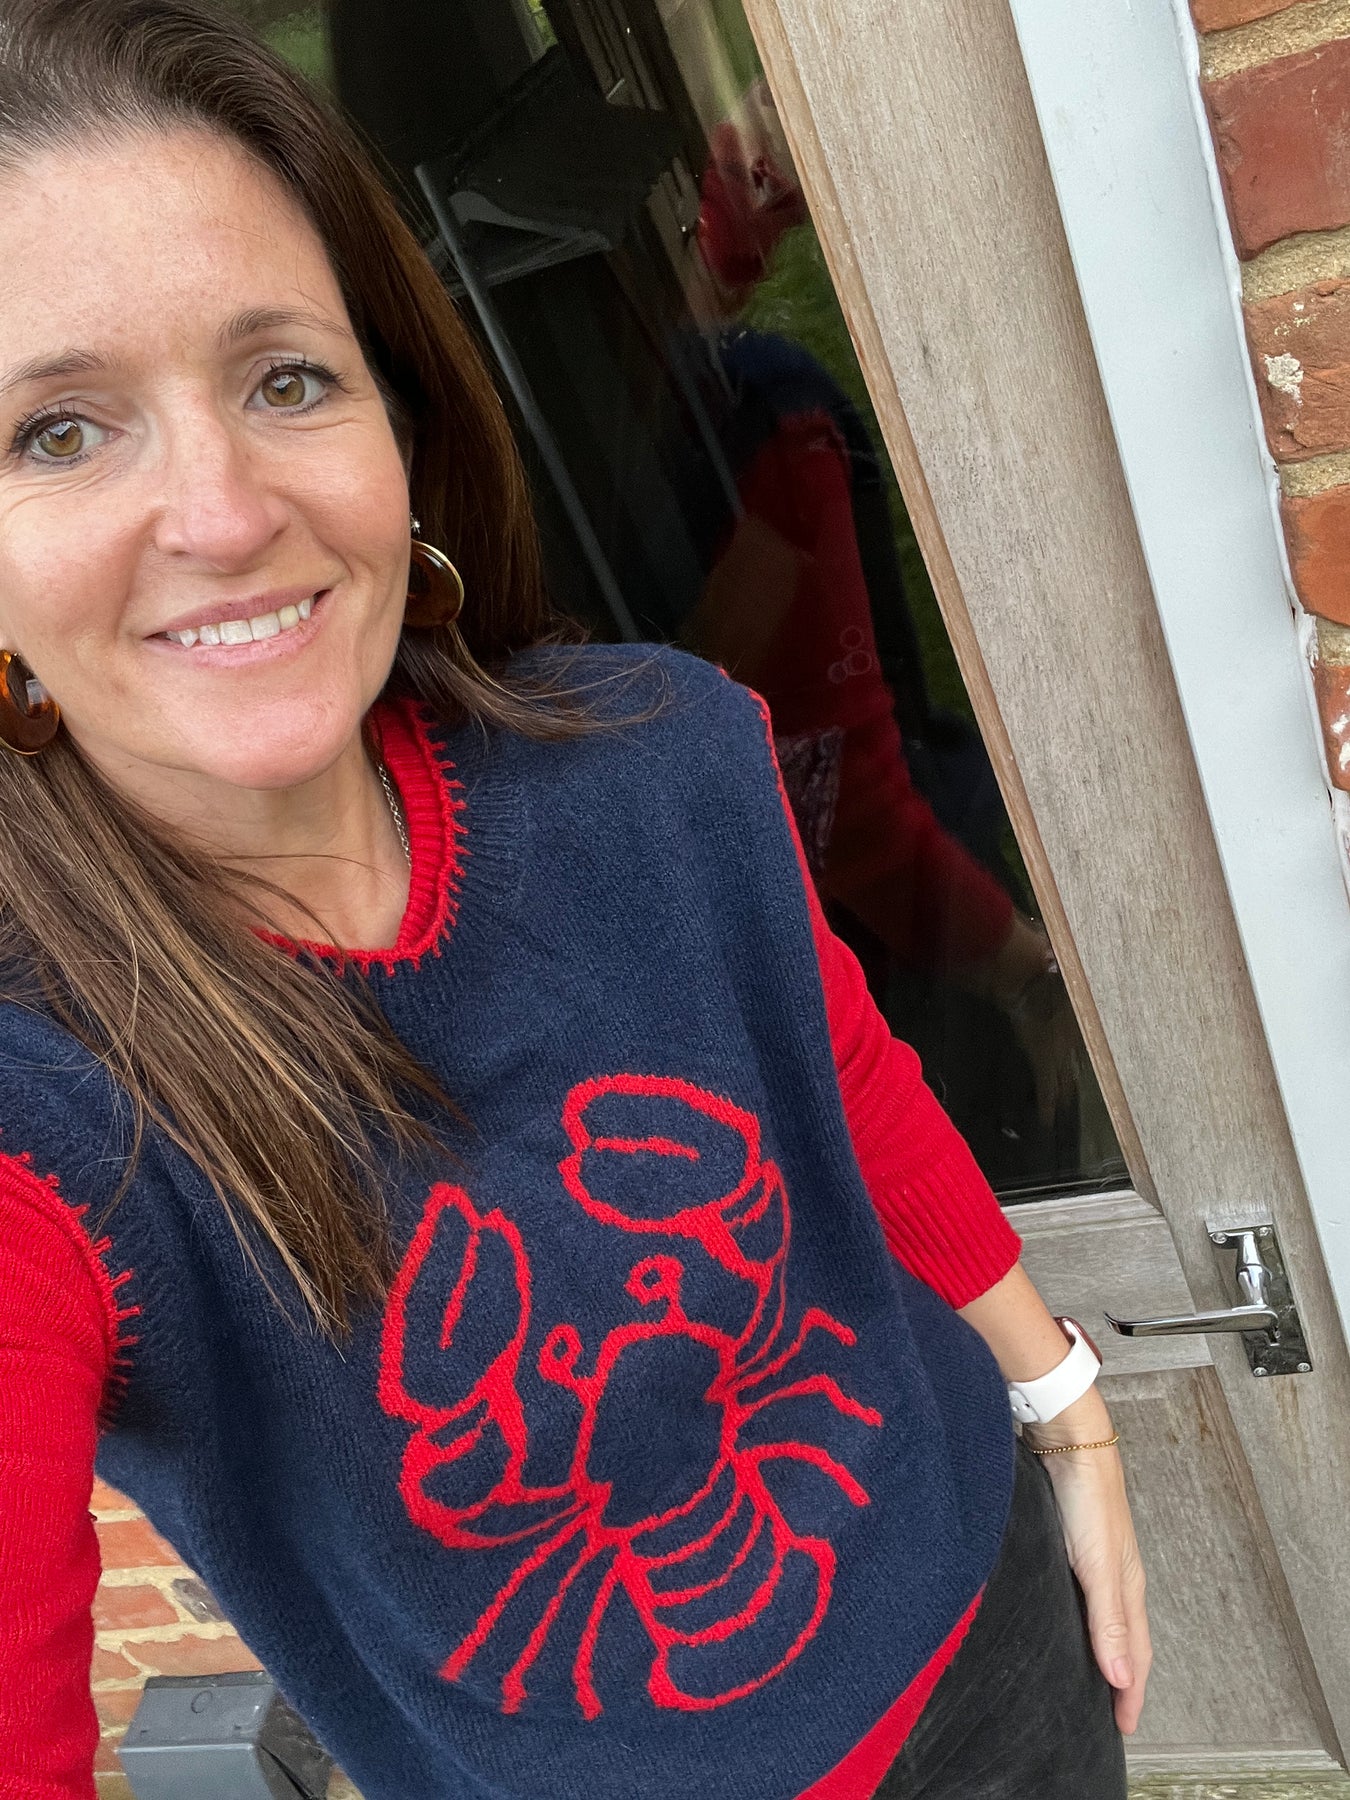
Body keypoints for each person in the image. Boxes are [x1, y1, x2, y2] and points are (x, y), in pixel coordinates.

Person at [0, 3, 1149, 1797]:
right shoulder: (43, 1115)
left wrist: (1062, 1405)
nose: (220, 514)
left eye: (286, 380)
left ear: (400, 419)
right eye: (58, 432)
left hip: (988, 1635)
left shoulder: (657, 756)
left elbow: (833, 1071)